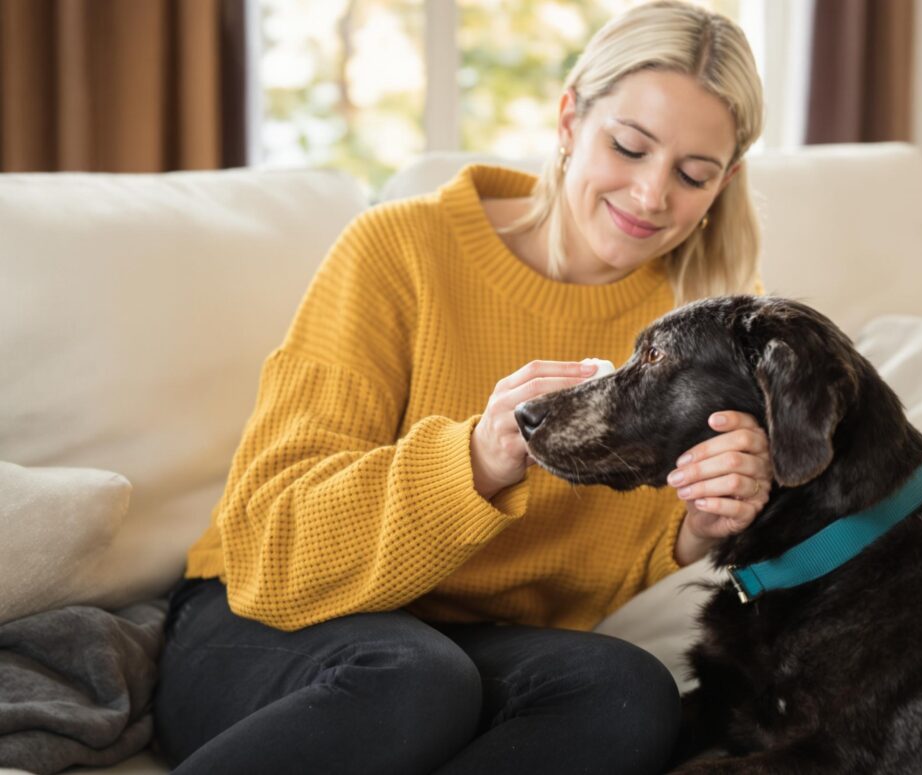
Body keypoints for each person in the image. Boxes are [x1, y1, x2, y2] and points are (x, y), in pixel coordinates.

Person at [154, 2, 771, 773]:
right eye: (630, 146)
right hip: (264, 623)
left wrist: (703, 525)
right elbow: (268, 548)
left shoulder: (704, 327)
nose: (652, 196)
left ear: (727, 181)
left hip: (473, 644)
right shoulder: (399, 250)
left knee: (628, 691)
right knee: (415, 679)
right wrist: (474, 462)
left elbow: (612, 559)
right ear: (571, 118)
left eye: (692, 174)